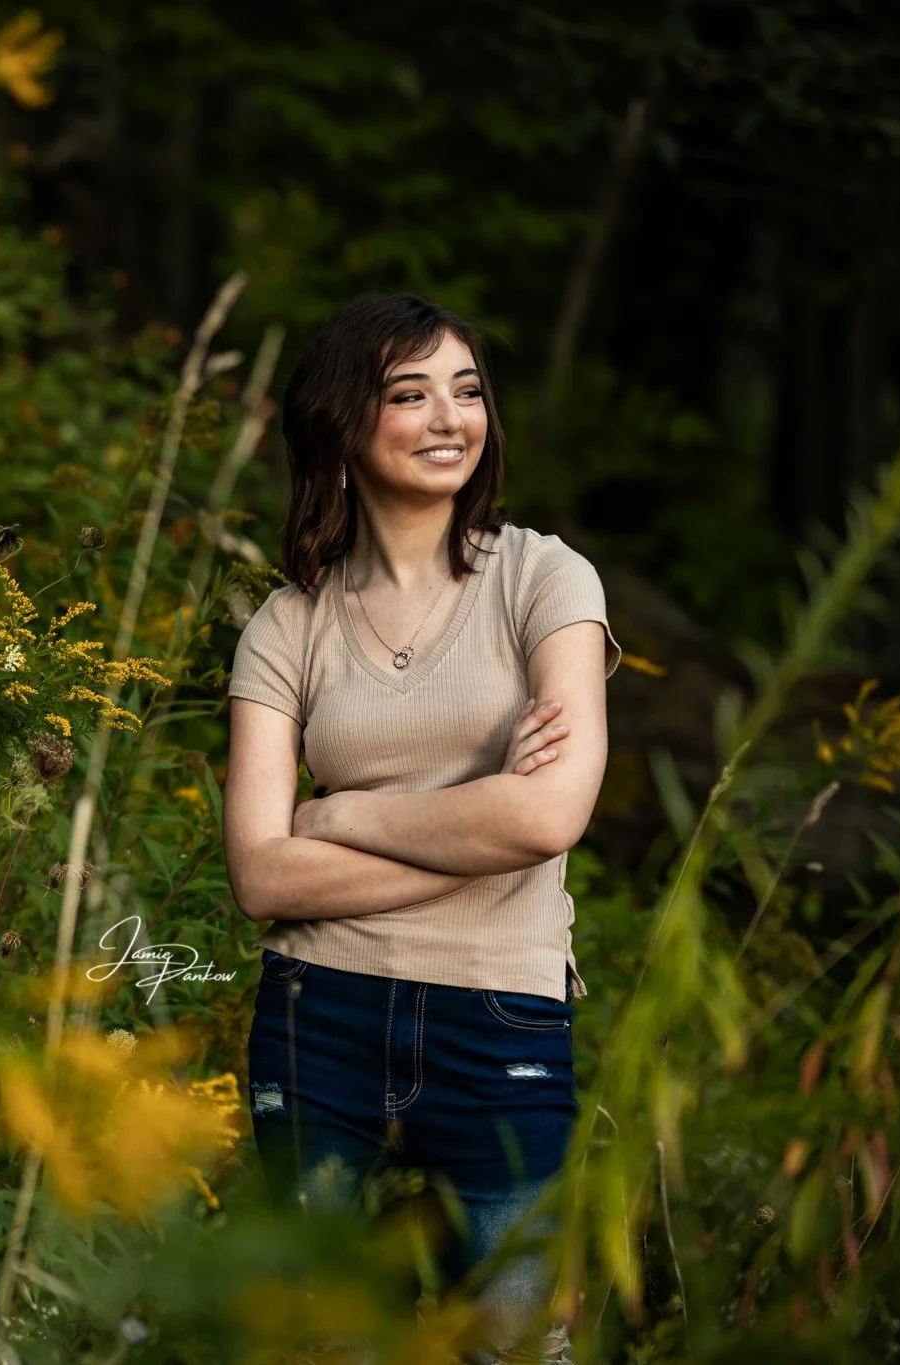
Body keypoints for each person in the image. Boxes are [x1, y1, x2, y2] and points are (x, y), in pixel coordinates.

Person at [222, 292, 621, 1362]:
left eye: (467, 388)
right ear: (343, 425)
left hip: (500, 1027)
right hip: (318, 1022)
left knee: (510, 1343)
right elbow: (262, 879)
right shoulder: (285, 626)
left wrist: (342, 815)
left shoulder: (542, 580)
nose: (450, 416)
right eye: (409, 394)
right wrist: (475, 828)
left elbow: (546, 813)